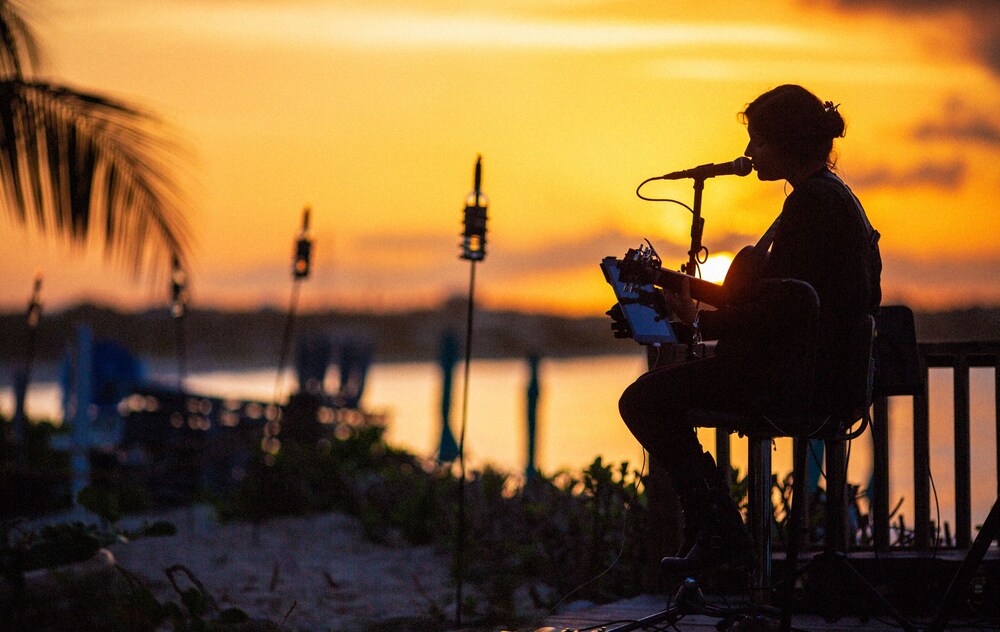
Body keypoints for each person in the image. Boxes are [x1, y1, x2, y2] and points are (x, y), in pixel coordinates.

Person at [617, 84, 882, 573]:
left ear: (786, 142)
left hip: (790, 381)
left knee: (643, 401)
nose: (748, 154)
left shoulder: (811, 207)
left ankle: (720, 533)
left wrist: (693, 321)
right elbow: (767, 301)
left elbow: (785, 313)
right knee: (653, 398)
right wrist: (669, 287)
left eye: (758, 141)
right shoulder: (829, 198)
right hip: (814, 376)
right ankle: (719, 538)